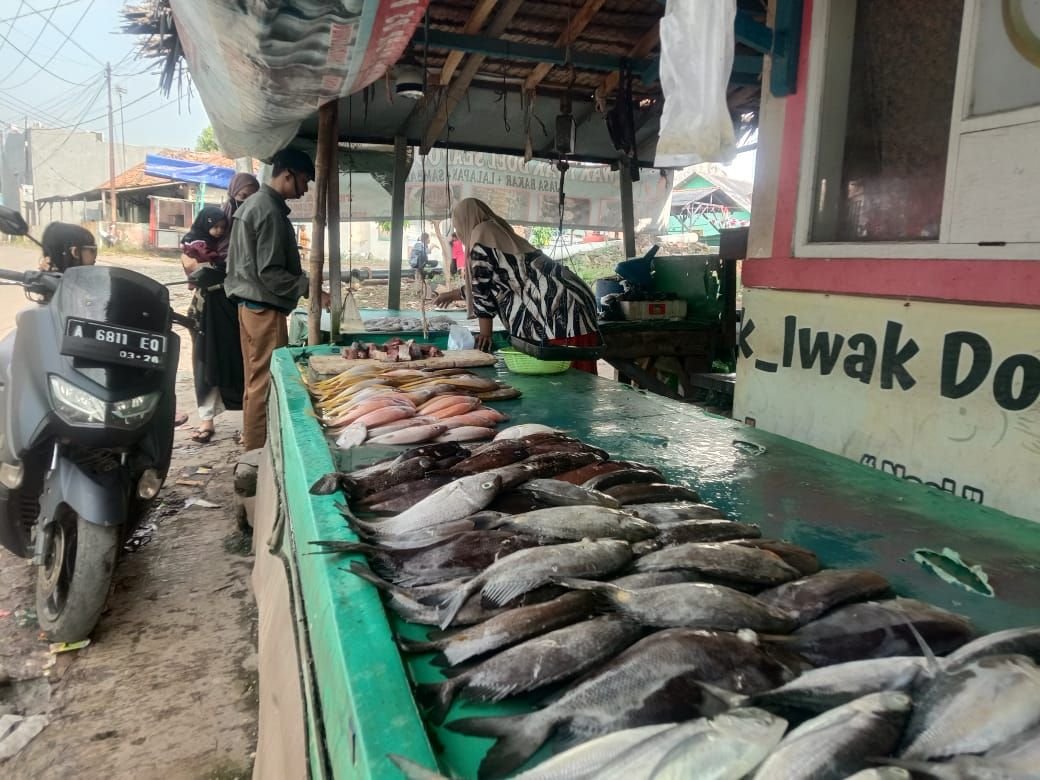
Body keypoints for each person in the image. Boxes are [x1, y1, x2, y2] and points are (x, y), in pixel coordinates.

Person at [225, 147, 325, 451]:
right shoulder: (267, 210)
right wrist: (309, 286)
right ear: (287, 175)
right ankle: (256, 452)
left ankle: (255, 444)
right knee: (263, 382)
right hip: (263, 308)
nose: (306, 188)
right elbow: (270, 273)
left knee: (255, 379)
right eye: (305, 181)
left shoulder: (259, 205)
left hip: (250, 306)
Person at [434, 198, 600, 373]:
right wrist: (453, 294)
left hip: (557, 310)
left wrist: (485, 335)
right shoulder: (496, 231)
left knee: (567, 379)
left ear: (462, 221)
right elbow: (495, 281)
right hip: (574, 302)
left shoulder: (481, 237)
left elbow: (483, 292)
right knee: (580, 379)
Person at [180, 206, 244, 443]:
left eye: (222, 227)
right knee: (204, 362)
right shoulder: (192, 243)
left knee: (234, 360)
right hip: (205, 308)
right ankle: (206, 420)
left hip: (231, 307)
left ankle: (249, 422)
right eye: (214, 226)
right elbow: (192, 270)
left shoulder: (237, 236)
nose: (218, 231)